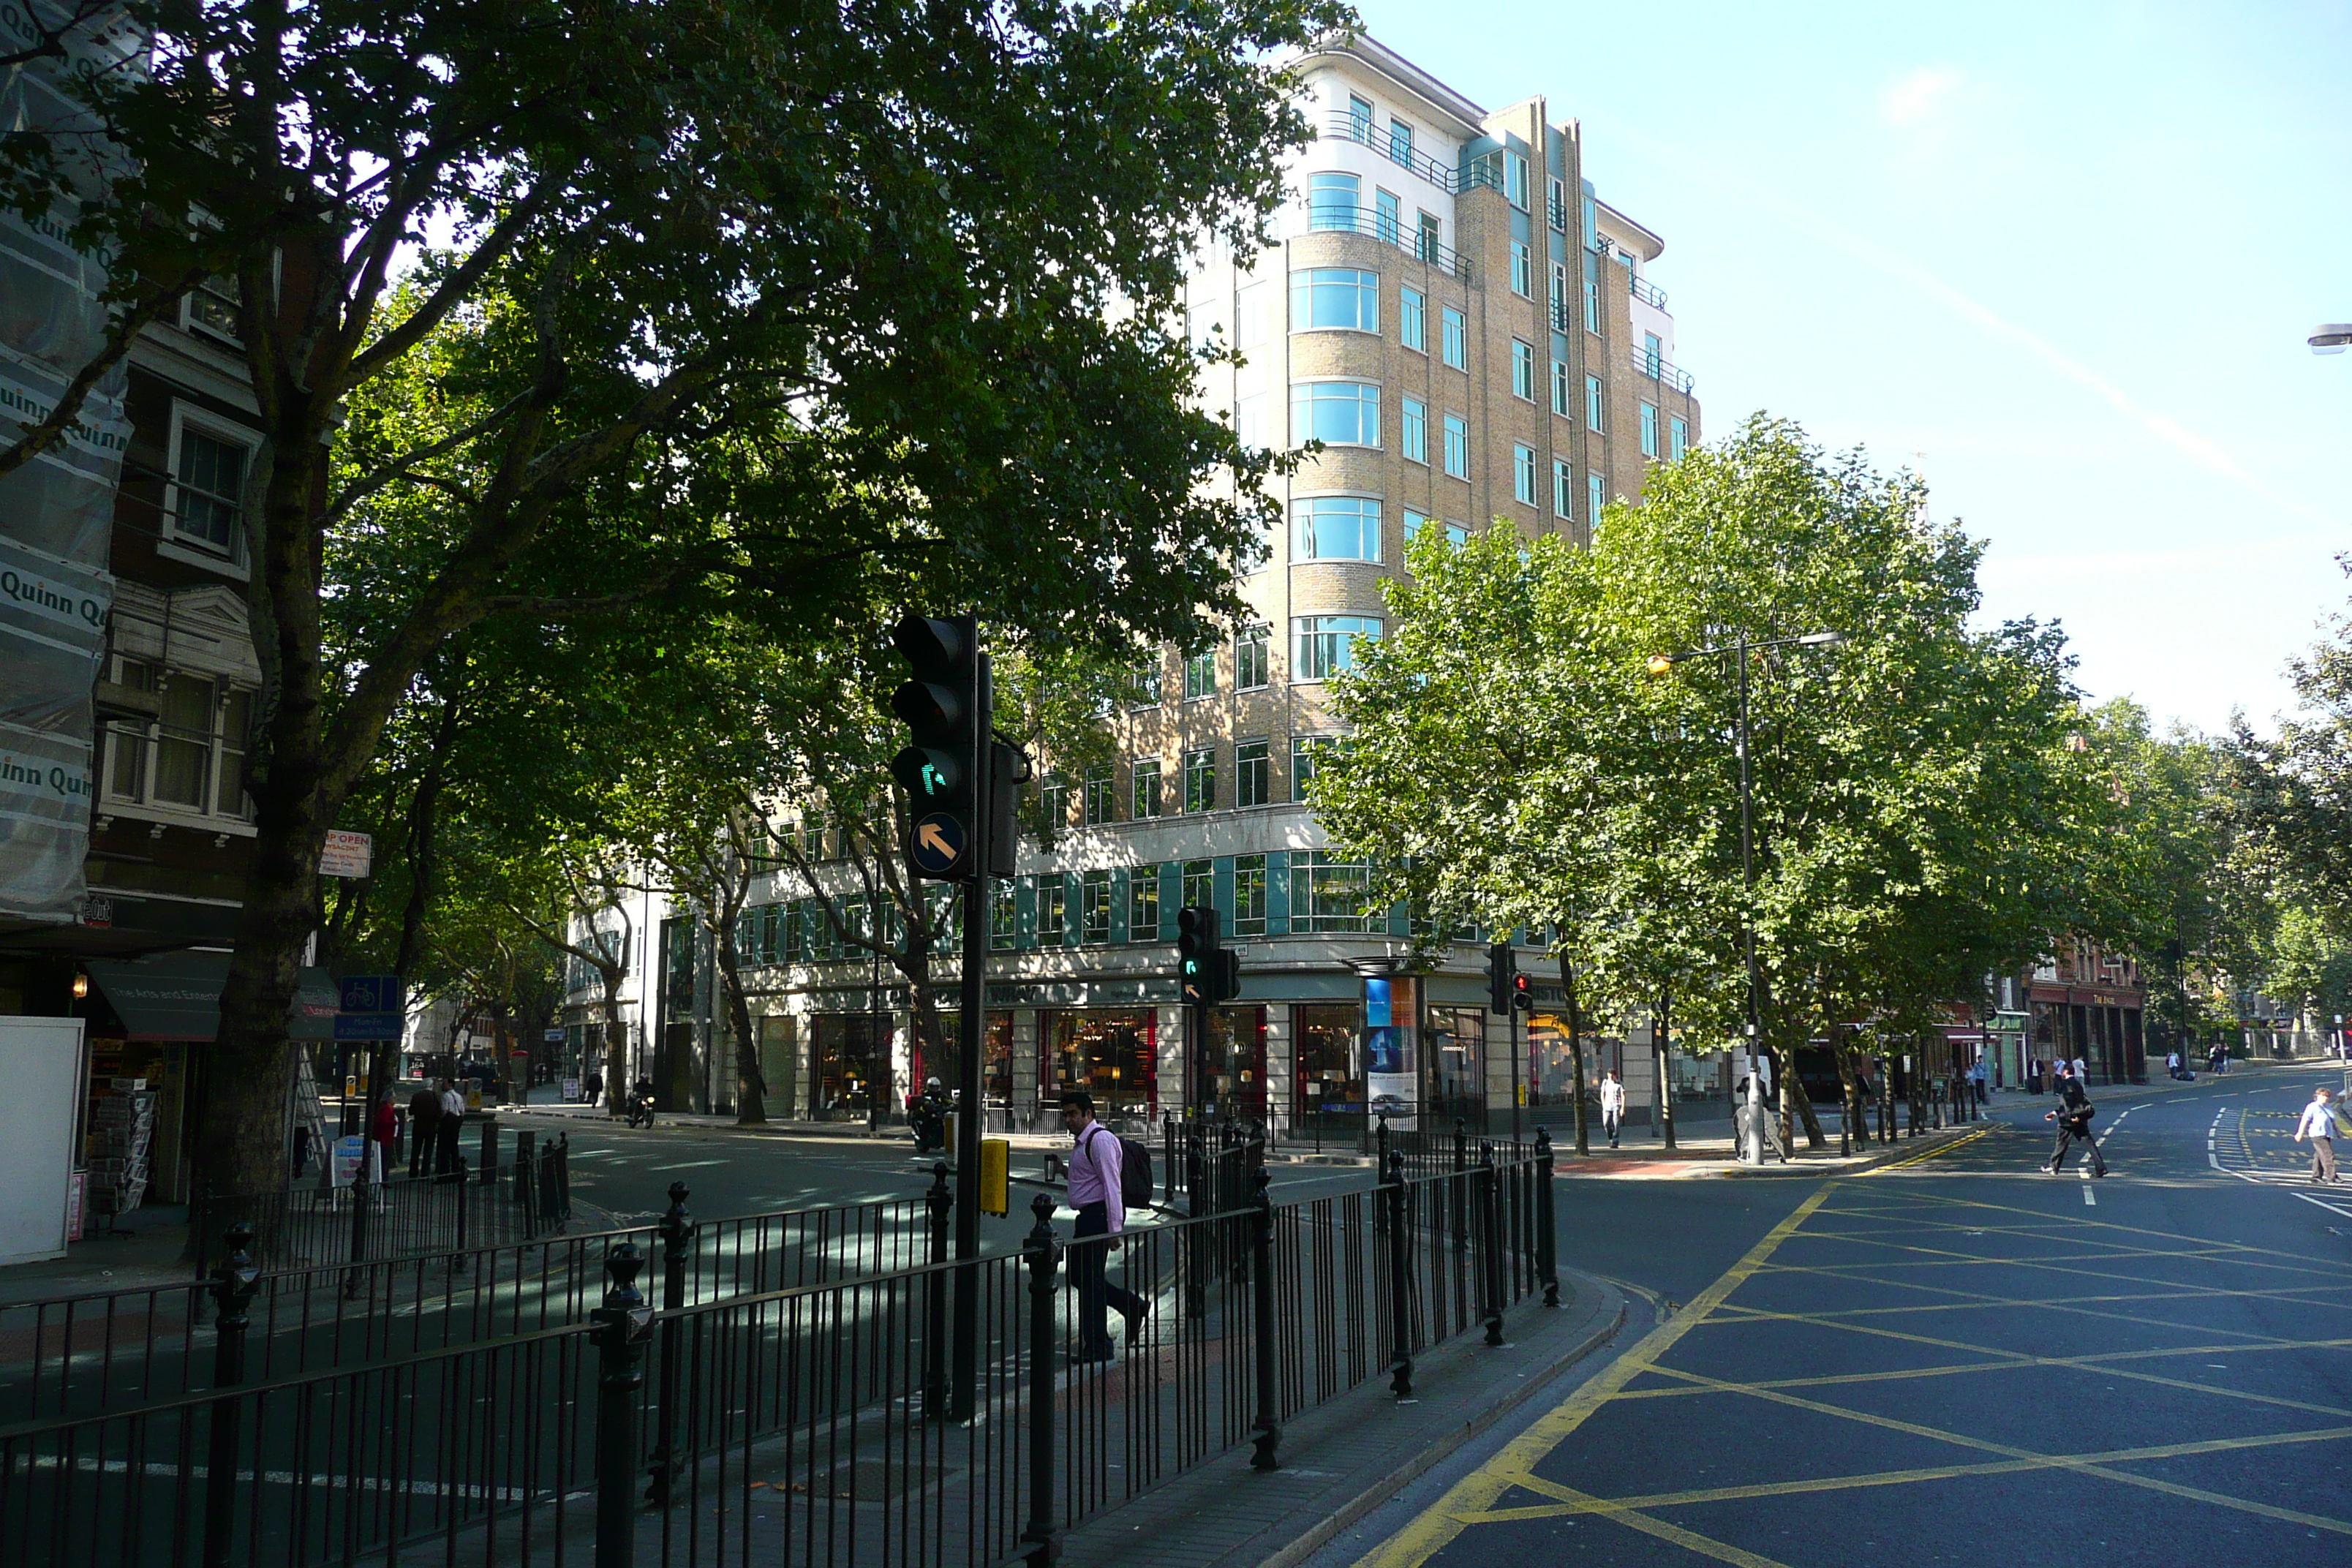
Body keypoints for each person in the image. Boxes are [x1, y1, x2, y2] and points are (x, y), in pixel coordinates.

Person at [1060, 1089, 1147, 1362]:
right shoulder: (1083, 1143)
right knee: (1083, 1278)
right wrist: (1064, 1172)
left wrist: (1114, 1230)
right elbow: (1090, 1180)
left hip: (1098, 1218)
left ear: (1089, 1114)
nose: (1069, 1120)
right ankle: (1131, 1306)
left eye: (1074, 1114)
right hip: (1088, 1217)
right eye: (1065, 1115)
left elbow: (1112, 1185)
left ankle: (1098, 1346)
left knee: (1087, 1281)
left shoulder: (1100, 1141)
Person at [2043, 1063, 2106, 1177]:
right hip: (2080, 1119)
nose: (2062, 1073)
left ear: (2066, 1072)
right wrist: (2055, 1113)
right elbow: (2079, 1102)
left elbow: (2067, 1105)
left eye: (2063, 1071)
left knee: (2061, 1144)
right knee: (2090, 1145)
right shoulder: (2077, 1084)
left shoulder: (2066, 1085)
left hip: (2068, 1121)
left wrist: (2063, 1115)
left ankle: (2053, 1167)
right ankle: (2100, 1168)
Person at [2293, 1086, 2341, 1185]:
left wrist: (2338, 1132)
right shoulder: (2312, 1107)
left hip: (2327, 1134)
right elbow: (2305, 1120)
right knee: (2328, 1155)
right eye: (2323, 1096)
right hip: (2317, 1134)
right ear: (2317, 1096)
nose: (2326, 1098)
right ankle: (2331, 1176)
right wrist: (2300, 1133)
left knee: (2319, 1155)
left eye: (2328, 1096)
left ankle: (2316, 1176)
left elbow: (2333, 1121)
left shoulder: (2329, 1107)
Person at [407, 1079, 443, 1180]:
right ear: (431, 1085)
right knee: (428, 1151)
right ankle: (425, 1172)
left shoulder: (417, 1096)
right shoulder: (435, 1097)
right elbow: (439, 1113)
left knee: (415, 1151)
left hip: (418, 1126)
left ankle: (413, 1173)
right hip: (431, 1127)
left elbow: (411, 1111)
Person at [434, 1078, 466, 1180]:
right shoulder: (459, 1096)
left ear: (450, 1085)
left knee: (445, 1148)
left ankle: (444, 1171)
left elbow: (444, 1111)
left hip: (448, 1122)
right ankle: (456, 1169)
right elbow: (462, 1111)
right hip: (457, 1121)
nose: (443, 1085)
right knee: (454, 1147)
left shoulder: (445, 1096)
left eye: (445, 1083)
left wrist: (439, 1121)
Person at [368, 1090, 399, 1184]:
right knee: (385, 1160)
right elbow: (383, 1122)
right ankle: (383, 1180)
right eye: (394, 1098)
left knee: (386, 1159)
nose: (395, 1099)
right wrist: (394, 1122)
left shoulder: (388, 1108)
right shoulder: (386, 1108)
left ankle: (384, 1179)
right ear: (389, 1099)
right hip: (384, 1138)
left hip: (387, 1137)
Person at [1598, 1070, 1625, 1150]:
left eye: (1612, 1075)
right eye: (1609, 1075)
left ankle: (1615, 1142)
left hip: (1616, 1105)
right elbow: (1602, 1093)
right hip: (1607, 1106)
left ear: (1615, 1075)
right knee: (1606, 1123)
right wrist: (1603, 1104)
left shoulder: (1619, 1083)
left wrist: (1622, 1108)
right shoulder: (1605, 1082)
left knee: (1616, 1124)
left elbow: (1623, 1096)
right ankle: (1611, 1138)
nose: (1610, 1077)